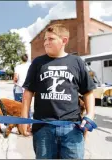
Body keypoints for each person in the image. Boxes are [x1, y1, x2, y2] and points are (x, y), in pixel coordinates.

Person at [21, 24, 96, 159]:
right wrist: (24, 119)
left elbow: (88, 92)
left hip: (72, 128)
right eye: (45, 39)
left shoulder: (76, 62)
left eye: (51, 39)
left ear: (64, 41)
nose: (46, 42)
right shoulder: (38, 62)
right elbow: (28, 93)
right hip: (43, 127)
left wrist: (90, 114)